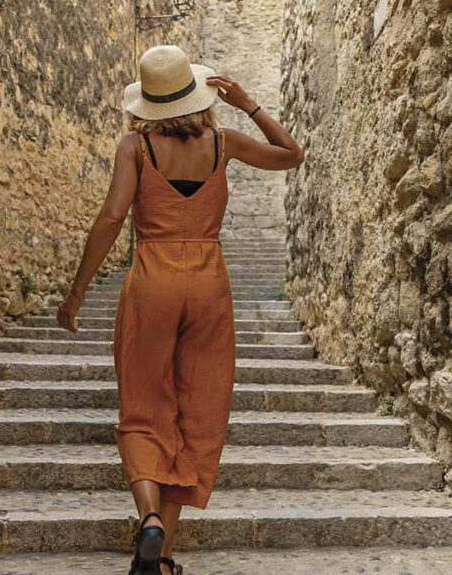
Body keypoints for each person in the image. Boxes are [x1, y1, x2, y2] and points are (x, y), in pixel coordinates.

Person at [56, 44, 304, 575]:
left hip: (153, 280)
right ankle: (164, 558)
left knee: (144, 407)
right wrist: (248, 104)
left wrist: (77, 291)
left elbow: (112, 216)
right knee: (196, 412)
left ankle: (149, 520)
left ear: (147, 103)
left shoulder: (135, 146)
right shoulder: (224, 142)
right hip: (209, 284)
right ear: (195, 94)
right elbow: (291, 154)